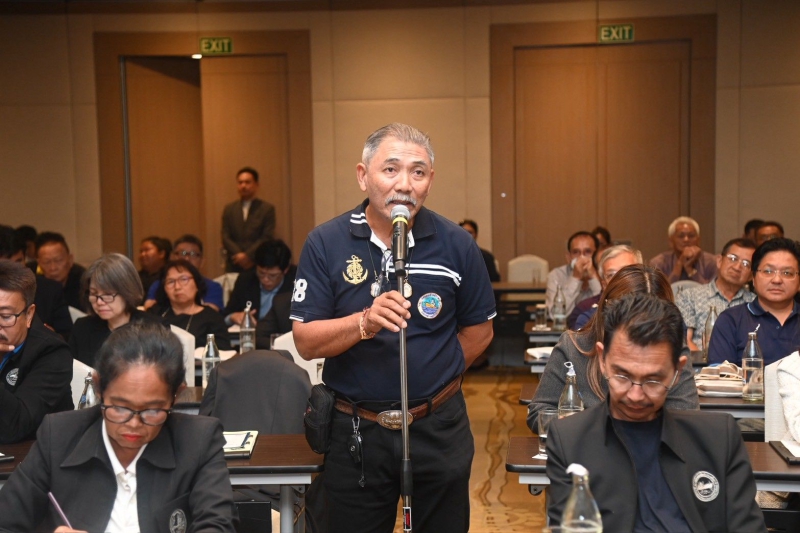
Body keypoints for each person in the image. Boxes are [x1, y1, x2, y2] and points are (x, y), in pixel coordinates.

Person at [291, 123, 496, 532]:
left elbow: (480, 332)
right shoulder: (326, 243)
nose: (404, 184)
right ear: (363, 175)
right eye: (391, 169)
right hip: (356, 431)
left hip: (438, 427)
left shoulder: (457, 244)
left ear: (430, 181)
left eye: (417, 172)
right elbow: (306, 340)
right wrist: (363, 322)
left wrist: (435, 375)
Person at [546, 293, 765, 531]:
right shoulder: (570, 440)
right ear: (602, 360)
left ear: (677, 371)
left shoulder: (718, 438)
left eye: (653, 381)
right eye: (622, 376)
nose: (635, 395)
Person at [0, 321, 236, 532]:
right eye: (120, 407)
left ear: (176, 396)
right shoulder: (59, 436)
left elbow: (218, 525)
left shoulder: (198, 440)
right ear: (99, 389)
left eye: (152, 410)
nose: (134, 424)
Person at [527, 264, 698, 431]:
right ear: (608, 310)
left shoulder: (673, 352)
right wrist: (579, 428)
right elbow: (539, 412)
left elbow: (686, 420)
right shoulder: (573, 346)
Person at [0, 260, 72, 444]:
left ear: (29, 314)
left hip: (31, 456)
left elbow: (14, 427)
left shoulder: (53, 352)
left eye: (6, 316)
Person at [708, 238, 800, 366]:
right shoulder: (730, 321)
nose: (777, 280)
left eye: (787, 273)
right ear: (753, 278)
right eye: (768, 271)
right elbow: (720, 375)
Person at [70, 254, 162, 367]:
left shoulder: (155, 329)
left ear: (128, 292)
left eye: (108, 294)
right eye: (94, 293)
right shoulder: (82, 328)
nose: (99, 301)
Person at [676, 238, 757, 351]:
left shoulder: (755, 304)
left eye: (746, 264)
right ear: (719, 261)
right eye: (733, 259)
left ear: (751, 276)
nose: (737, 267)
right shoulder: (689, 297)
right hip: (700, 360)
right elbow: (685, 341)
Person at [0, 225, 71, 338]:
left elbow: (68, 336)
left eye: (18, 261)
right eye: (6, 265)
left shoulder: (49, 290)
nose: (14, 270)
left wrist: (54, 336)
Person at [150, 259, 230, 350]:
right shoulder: (154, 314)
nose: (177, 287)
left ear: (197, 284)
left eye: (184, 279)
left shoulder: (212, 318)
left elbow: (222, 352)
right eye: (170, 282)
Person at [567, 244, 642, 330]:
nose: (618, 279)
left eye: (626, 271)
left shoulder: (654, 313)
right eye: (611, 274)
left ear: (641, 276)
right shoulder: (589, 320)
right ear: (604, 285)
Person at [143, 234, 224, 312]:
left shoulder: (212, 286)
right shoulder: (159, 284)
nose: (187, 258)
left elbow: (211, 311)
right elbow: (149, 307)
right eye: (183, 253)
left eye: (193, 254)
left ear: (202, 261)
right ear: (172, 258)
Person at [225, 239, 295, 325]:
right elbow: (226, 314)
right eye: (261, 273)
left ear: (286, 270)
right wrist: (233, 317)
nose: (265, 279)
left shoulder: (298, 282)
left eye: (272, 275)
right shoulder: (245, 280)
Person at [221, 167, 276, 272]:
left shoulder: (267, 209)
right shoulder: (229, 209)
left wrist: (247, 256)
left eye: (247, 182)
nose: (243, 186)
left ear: (256, 185)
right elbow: (225, 236)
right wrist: (239, 255)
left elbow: (267, 236)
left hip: (257, 262)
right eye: (240, 182)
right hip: (234, 263)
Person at [545, 231, 601, 318]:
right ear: (568, 257)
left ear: (597, 255)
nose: (582, 257)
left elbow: (607, 310)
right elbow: (555, 315)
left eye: (588, 251)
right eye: (576, 252)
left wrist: (593, 277)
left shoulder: (604, 274)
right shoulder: (556, 275)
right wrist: (576, 278)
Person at [649, 216, 717, 283]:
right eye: (681, 236)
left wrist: (690, 270)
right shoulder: (658, 263)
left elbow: (713, 290)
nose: (686, 240)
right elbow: (660, 290)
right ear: (671, 241)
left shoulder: (712, 262)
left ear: (698, 240)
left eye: (691, 236)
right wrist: (680, 263)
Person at [35, 231, 87, 311]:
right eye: (46, 262)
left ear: (70, 260)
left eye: (58, 260)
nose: (53, 268)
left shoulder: (85, 282)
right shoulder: (35, 286)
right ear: (39, 263)